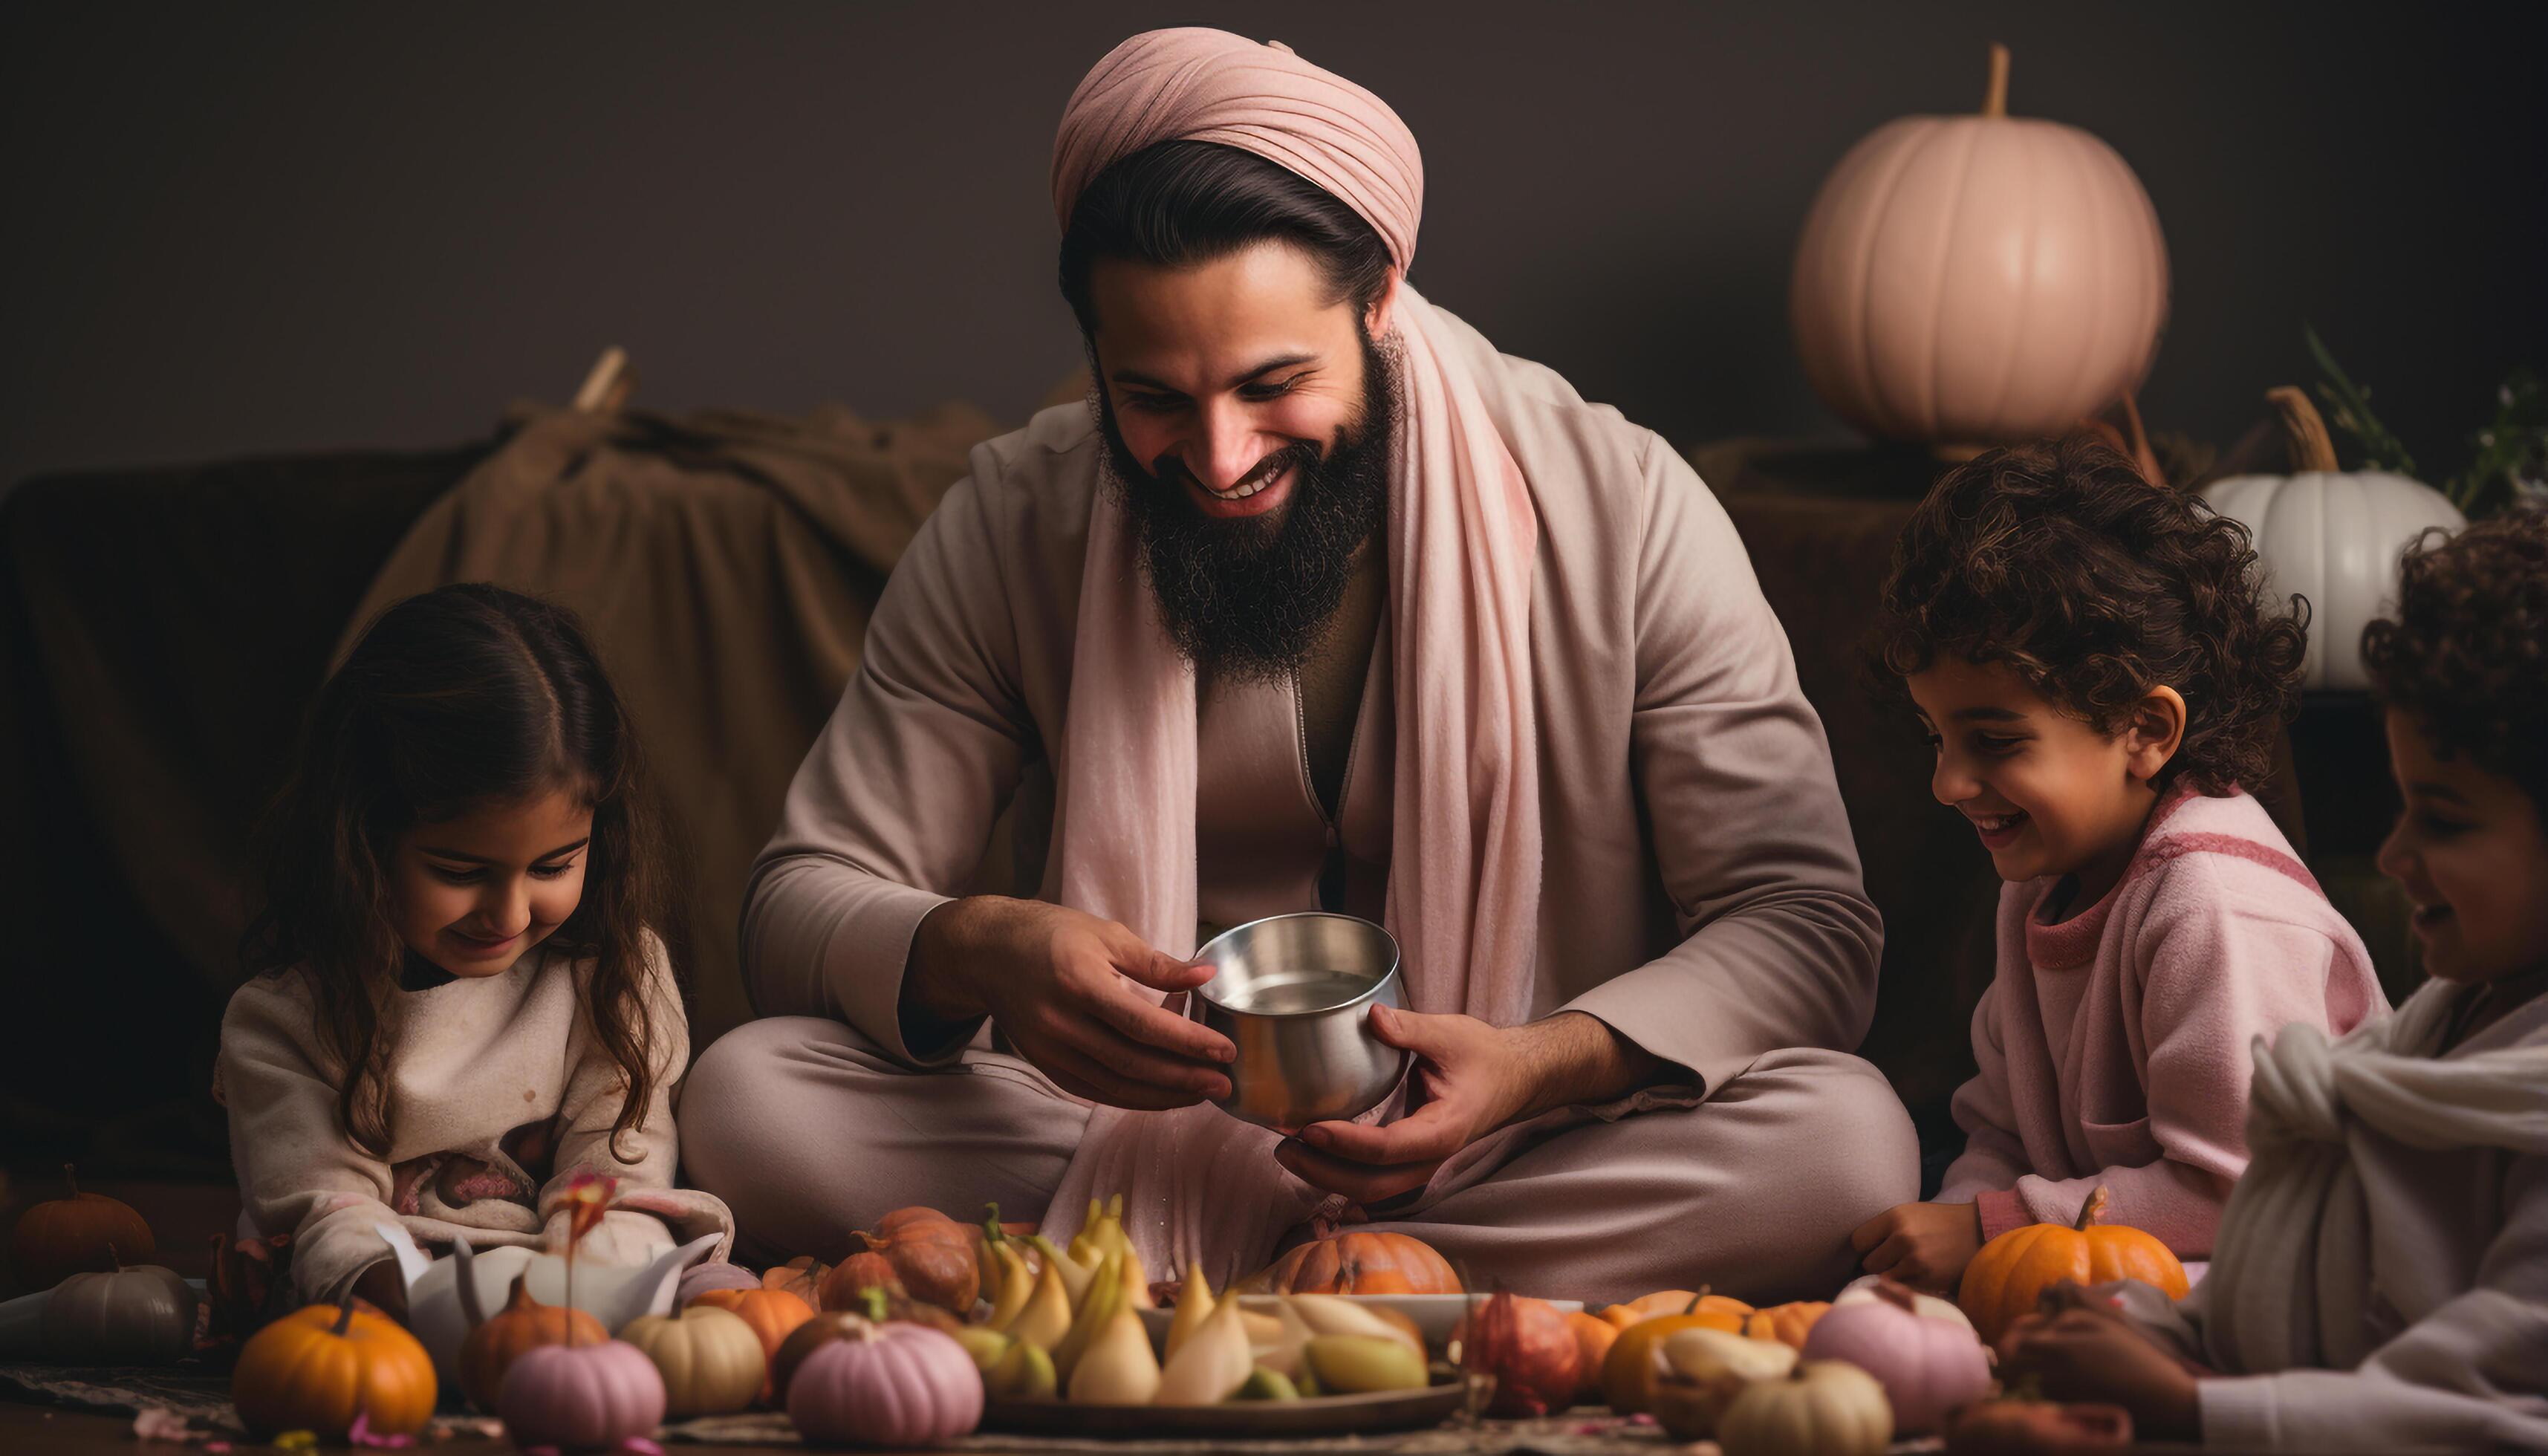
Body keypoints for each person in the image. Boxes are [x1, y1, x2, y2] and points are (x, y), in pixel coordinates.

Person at [681, 27, 1917, 1300]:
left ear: (1379, 296)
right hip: (1114, 1140)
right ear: (1095, 353)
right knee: (749, 1101)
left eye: (1275, 384)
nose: (1220, 460)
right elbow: (799, 901)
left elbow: (1805, 923)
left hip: (1514, 1144)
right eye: (1153, 398)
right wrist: (976, 947)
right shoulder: (1015, 518)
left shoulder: (1626, 502)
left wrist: (1542, 1066)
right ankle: (1370, 1288)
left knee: (1841, 1147)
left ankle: (1164, 1282)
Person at [1997, 512, 2548, 1449]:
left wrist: (2187, 1403)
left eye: (2445, 822)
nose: (2393, 853)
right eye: (2399, 807)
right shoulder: (2450, 1019)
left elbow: (2493, 1410)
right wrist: (2151, 1333)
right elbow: (2340, 1299)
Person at [1850, 440, 2383, 1292]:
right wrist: (1959, 1245)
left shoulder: (2216, 905)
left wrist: (1993, 1231)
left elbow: (2238, 1189)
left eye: (1993, 741)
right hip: (2106, 1256)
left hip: (2300, 1282)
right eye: (1936, 738)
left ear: (2145, 731)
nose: (1947, 783)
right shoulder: (2037, 882)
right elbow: (2001, 1131)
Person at [218, 585, 731, 1310]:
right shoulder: (286, 1020)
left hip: (575, 1275)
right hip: (398, 1286)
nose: (510, 913)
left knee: (721, 1296)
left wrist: (577, 1294)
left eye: (554, 866)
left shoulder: (614, 976)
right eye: (461, 873)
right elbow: (331, 1214)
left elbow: (618, 1172)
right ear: (361, 841)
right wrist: (431, 1310)